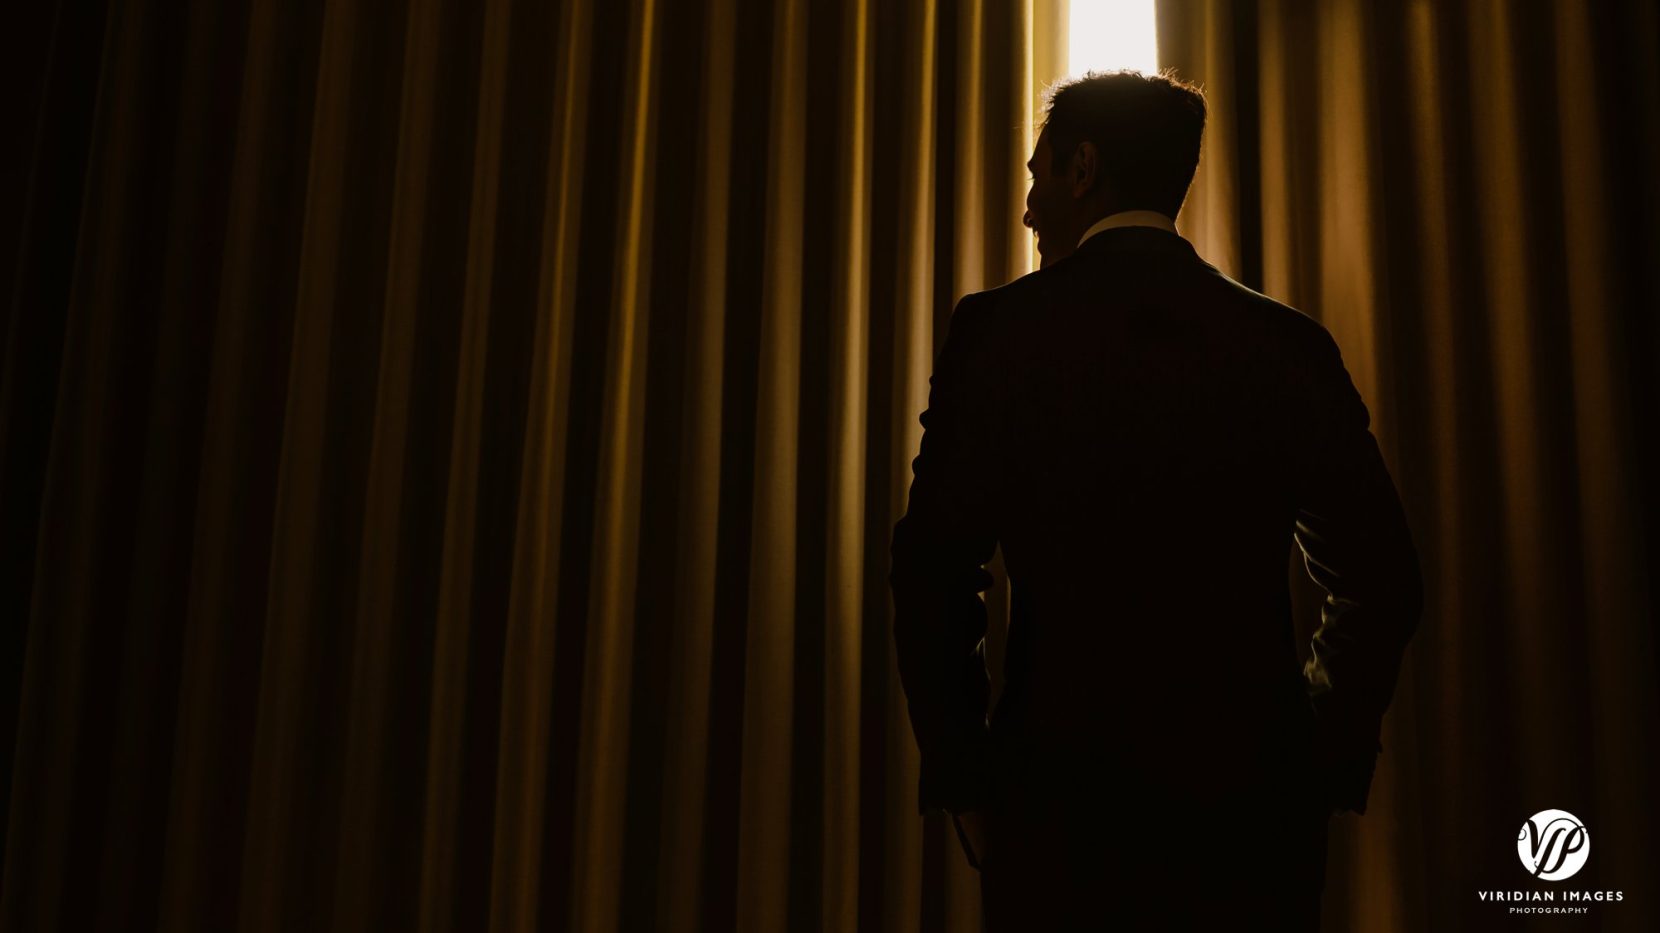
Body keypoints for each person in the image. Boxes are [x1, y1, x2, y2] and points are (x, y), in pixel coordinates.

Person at [889, 70, 1423, 931]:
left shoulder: (998, 334)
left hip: (1055, 816)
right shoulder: (1286, 344)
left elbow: (931, 573)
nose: (1027, 208)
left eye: (1036, 174)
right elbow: (1384, 577)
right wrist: (1314, 757)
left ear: (1083, 168)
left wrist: (968, 778)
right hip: (1253, 825)